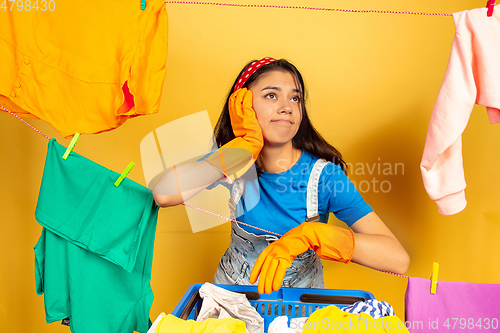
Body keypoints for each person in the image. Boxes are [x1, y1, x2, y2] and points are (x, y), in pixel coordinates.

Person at [153, 57, 410, 294]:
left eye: (295, 99)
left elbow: (398, 259)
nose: (287, 107)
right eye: (271, 95)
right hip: (231, 304)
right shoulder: (234, 162)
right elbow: (163, 193)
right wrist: (243, 147)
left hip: (297, 312)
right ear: (242, 106)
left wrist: (313, 235)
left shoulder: (324, 178)